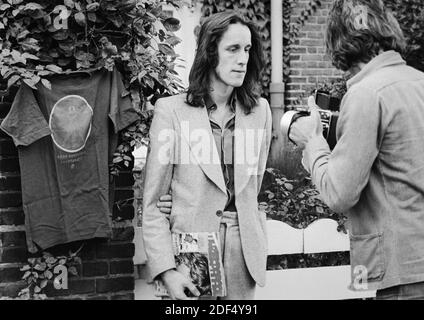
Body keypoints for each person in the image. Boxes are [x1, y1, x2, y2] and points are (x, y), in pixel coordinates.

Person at [289, 0, 424, 299]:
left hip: (399, 271)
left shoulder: (366, 94)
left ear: (339, 39)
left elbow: (339, 193)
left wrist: (313, 143)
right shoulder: (419, 82)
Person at [142, 11, 272, 300]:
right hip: (189, 256)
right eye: (233, 49)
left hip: (243, 253)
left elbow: (252, 185)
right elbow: (152, 205)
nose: (242, 59)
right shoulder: (171, 111)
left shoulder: (260, 112)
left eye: (247, 49)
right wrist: (166, 271)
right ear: (210, 53)